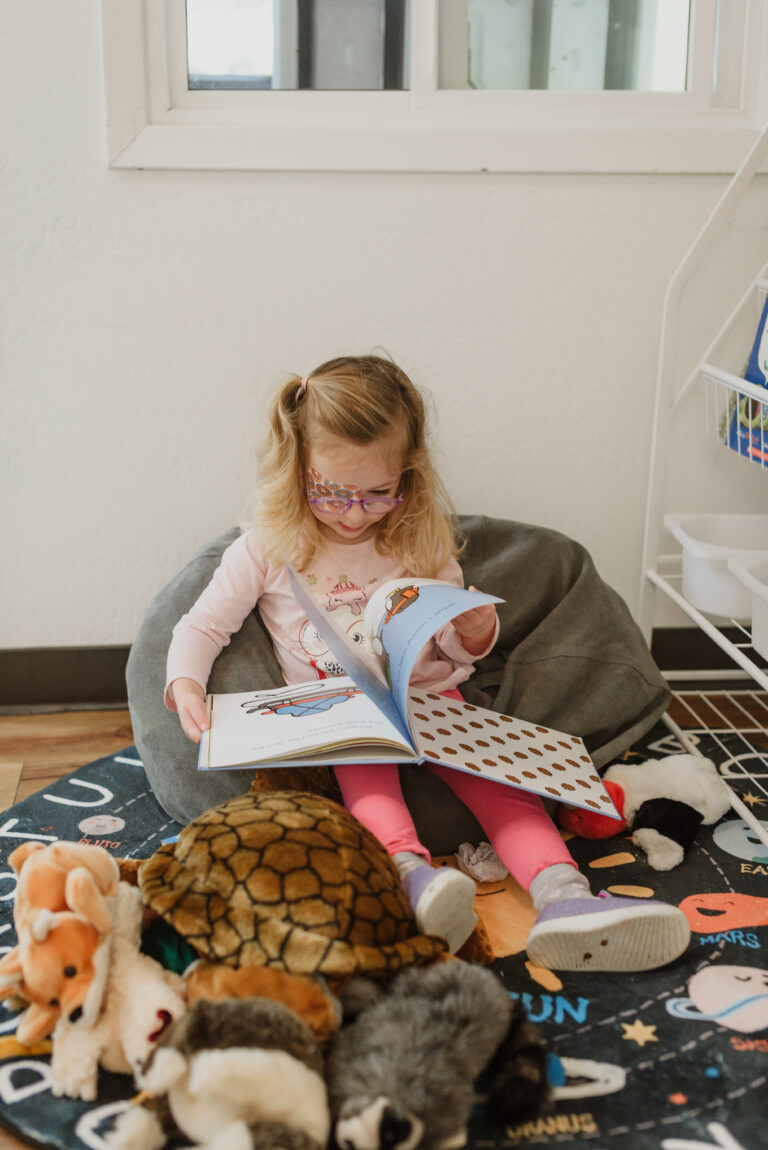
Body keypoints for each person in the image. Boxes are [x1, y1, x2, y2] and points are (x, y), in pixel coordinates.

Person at [165, 354, 689, 970]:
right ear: (297, 468)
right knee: (367, 789)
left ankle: (566, 898)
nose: (354, 511)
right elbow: (202, 623)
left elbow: (455, 648)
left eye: (376, 493)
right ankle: (414, 880)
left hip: (435, 701)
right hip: (340, 712)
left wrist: (473, 630)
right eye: (331, 491)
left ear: (407, 477)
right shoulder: (268, 544)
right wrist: (186, 683)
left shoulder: (420, 537)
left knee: (506, 788)